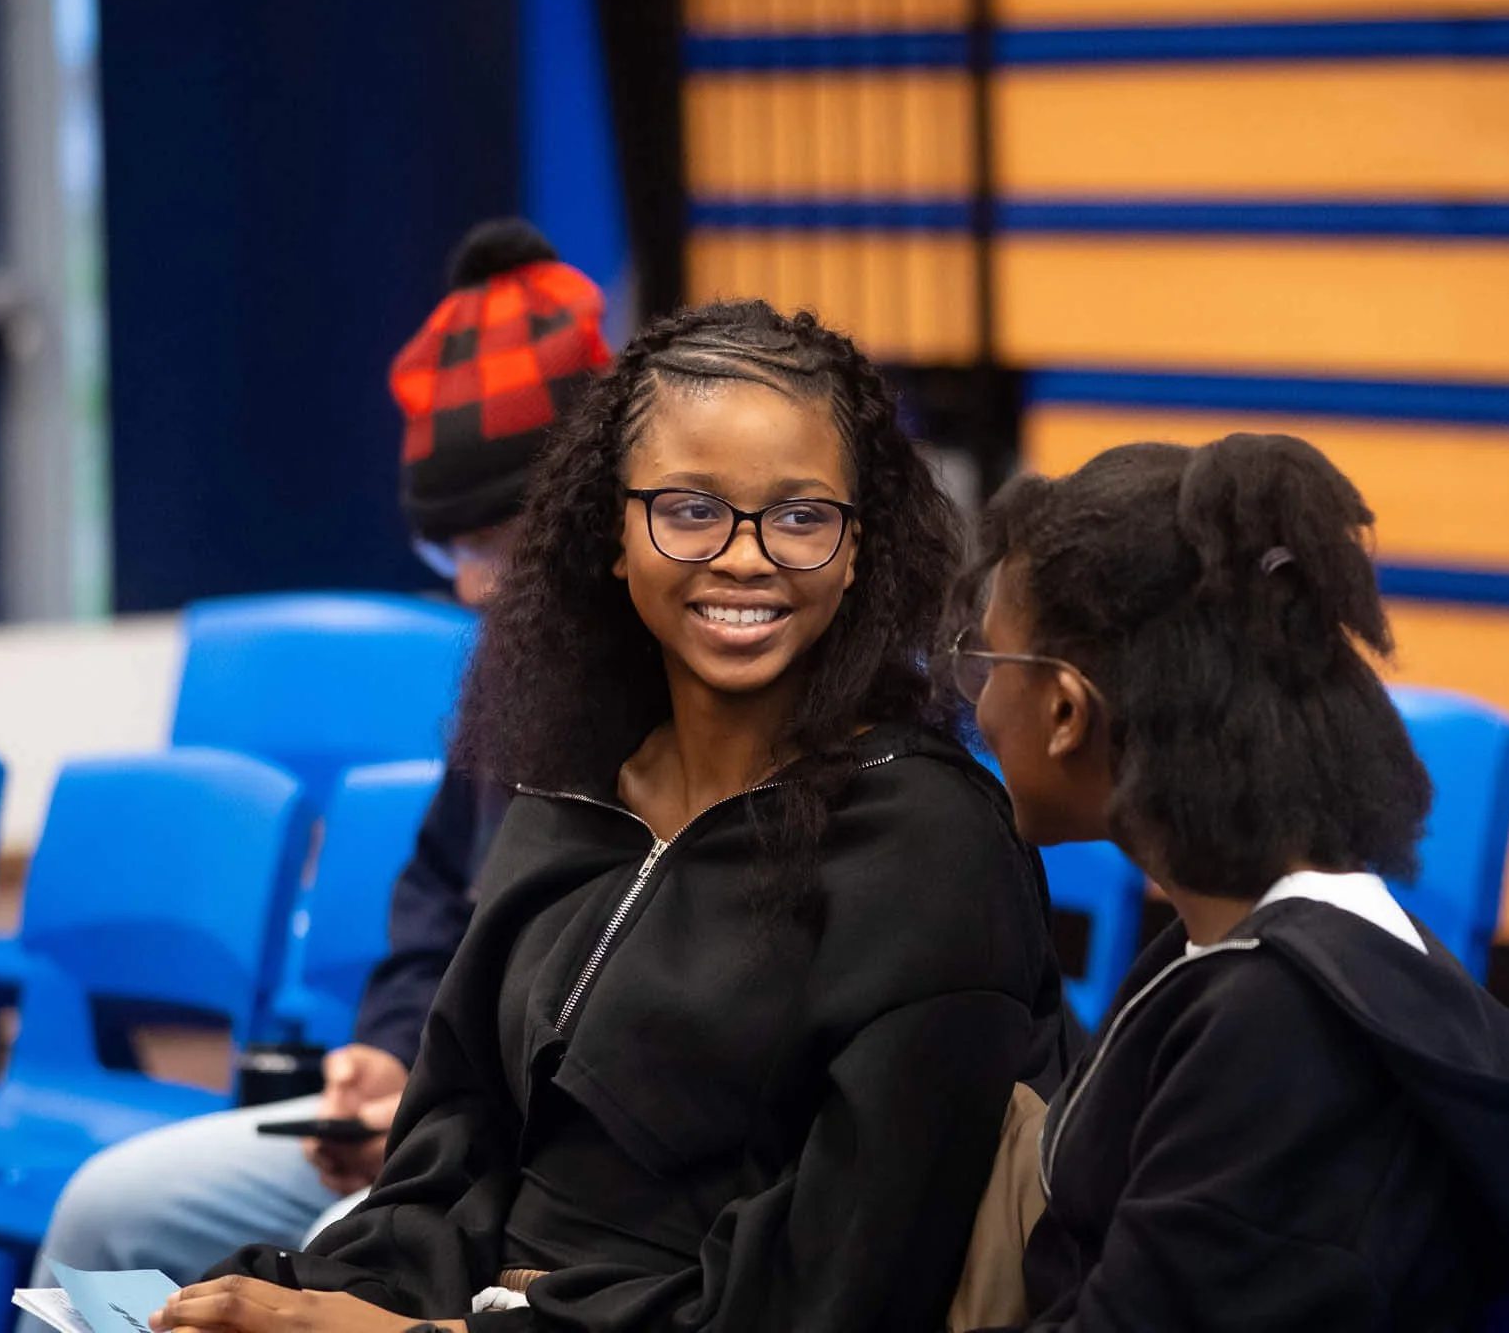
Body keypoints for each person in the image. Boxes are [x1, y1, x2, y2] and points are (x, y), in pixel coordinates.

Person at [150, 300, 1069, 1333]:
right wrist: (319, 1296)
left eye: (803, 516)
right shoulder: (571, 791)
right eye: (690, 508)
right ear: (614, 534)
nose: (747, 556)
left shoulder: (926, 845)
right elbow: (445, 1166)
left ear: (860, 550)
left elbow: (836, 1292)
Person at [12, 219, 614, 1296]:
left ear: (587, 515)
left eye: (495, 544)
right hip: (429, 1121)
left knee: (339, 1261)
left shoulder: (660, 706)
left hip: (533, 1166)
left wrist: (432, 1115)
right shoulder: (505, 681)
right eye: (451, 551)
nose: (471, 586)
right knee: (104, 1209)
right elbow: (438, 894)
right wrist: (386, 1054)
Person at [947, 433, 1509, 1330]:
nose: (979, 704)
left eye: (989, 665)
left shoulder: (1282, 1033)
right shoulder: (1258, 951)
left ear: (1063, 711)